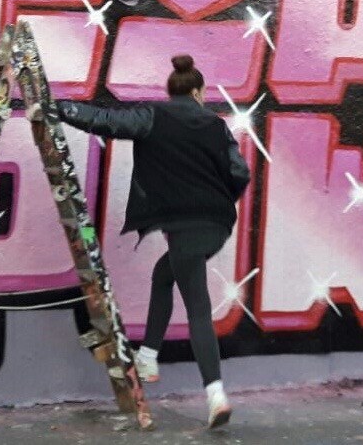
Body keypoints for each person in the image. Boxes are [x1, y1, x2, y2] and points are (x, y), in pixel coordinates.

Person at [54, 54, 250, 429]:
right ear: (199, 93)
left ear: (172, 90)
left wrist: (59, 108)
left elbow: (105, 122)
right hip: (216, 226)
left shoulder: (152, 117)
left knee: (196, 305)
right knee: (165, 274)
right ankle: (147, 355)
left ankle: (215, 394)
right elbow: (239, 173)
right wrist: (216, 197)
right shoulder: (216, 126)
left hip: (183, 225)